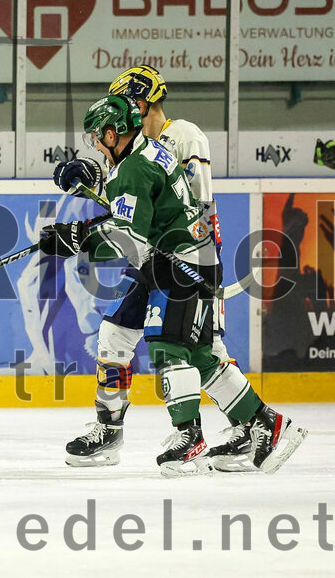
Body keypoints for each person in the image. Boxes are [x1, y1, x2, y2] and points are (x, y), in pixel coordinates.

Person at [40, 94, 306, 476]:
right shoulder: (145, 152)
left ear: (115, 133)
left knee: (169, 348)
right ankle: (266, 423)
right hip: (171, 260)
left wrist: (75, 240)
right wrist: (85, 216)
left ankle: (190, 436)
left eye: (98, 137)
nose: (96, 144)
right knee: (179, 351)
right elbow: (139, 215)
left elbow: (129, 238)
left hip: (178, 265)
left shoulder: (137, 166)